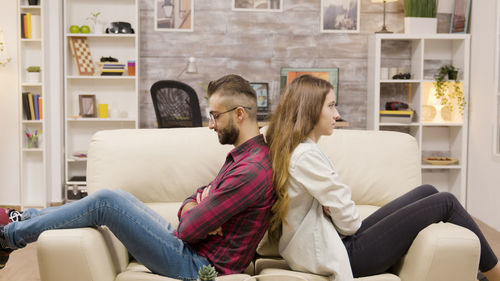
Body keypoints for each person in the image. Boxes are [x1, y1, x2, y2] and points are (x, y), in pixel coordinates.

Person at [0, 74, 275, 280]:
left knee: (107, 202)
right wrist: (195, 205)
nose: (210, 124)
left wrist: (197, 208)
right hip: (193, 248)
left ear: (239, 114)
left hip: (200, 266)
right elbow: (197, 196)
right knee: (118, 196)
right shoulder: (243, 157)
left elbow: (189, 228)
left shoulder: (251, 170)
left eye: (215, 116)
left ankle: (7, 237)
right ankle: (23, 219)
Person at [265, 74, 500, 281]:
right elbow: (351, 223)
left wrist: (334, 208)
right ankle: (496, 273)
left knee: (427, 191)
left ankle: (486, 273)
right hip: (345, 255)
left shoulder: (301, 149)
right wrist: (337, 210)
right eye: (331, 106)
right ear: (311, 110)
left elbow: (343, 216)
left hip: (336, 241)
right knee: (445, 201)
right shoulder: (306, 156)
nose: (337, 114)